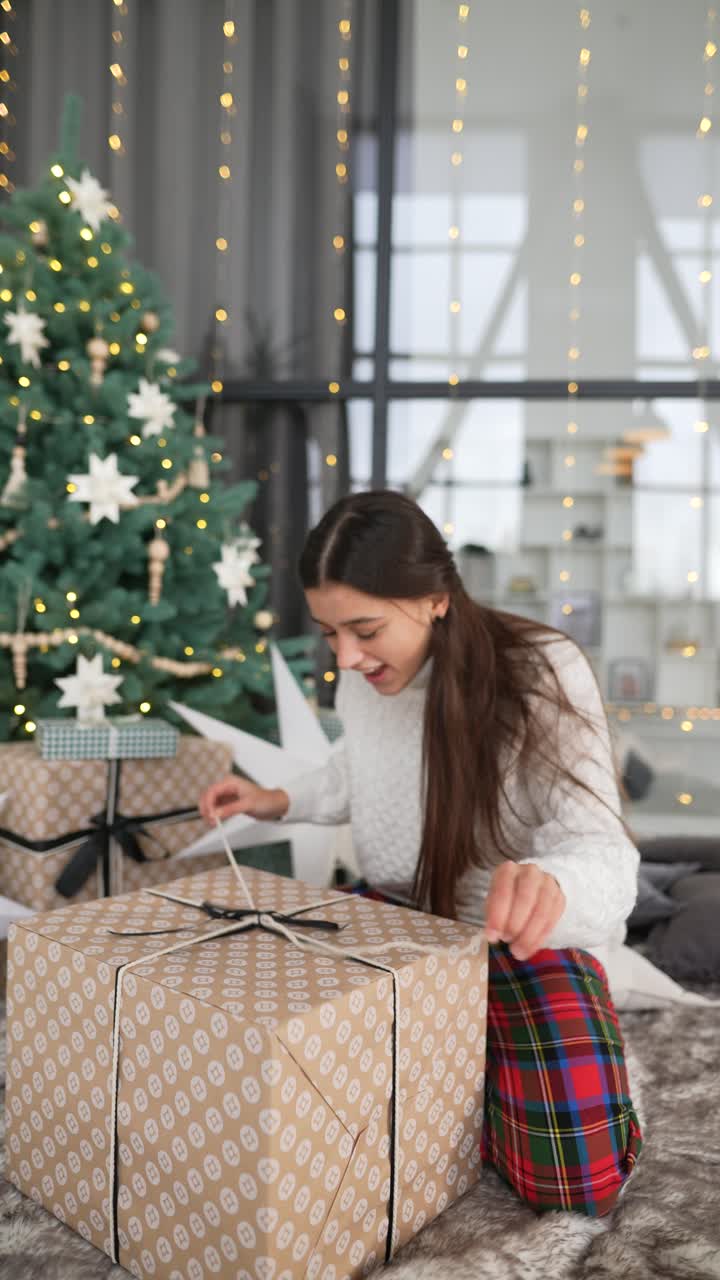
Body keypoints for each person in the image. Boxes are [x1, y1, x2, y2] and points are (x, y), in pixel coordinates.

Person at [199, 489, 642, 1217]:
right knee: (259, 1052)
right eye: (329, 632)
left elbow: (598, 845)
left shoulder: (543, 669)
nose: (345, 655)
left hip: (511, 940)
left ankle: (463, 1087)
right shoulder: (366, 682)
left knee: (575, 1180)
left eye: (364, 628)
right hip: (395, 918)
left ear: (435, 598)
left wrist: (553, 885)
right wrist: (273, 799)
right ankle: (446, 1090)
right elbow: (357, 770)